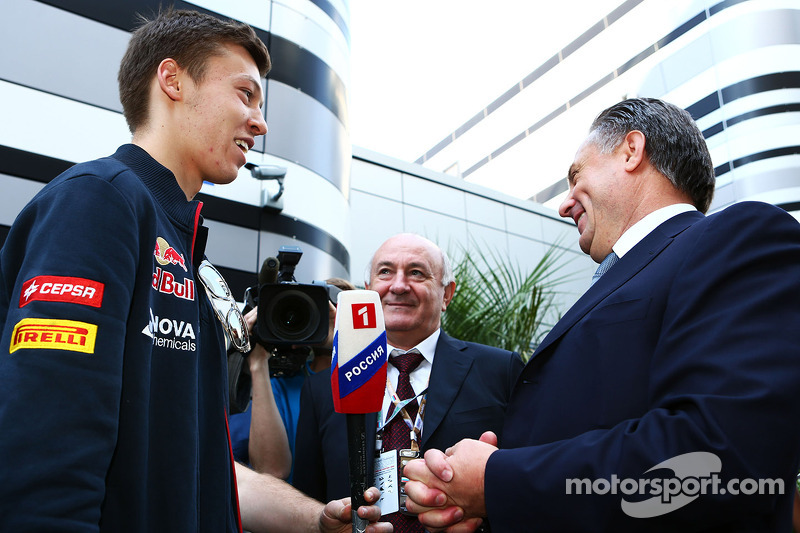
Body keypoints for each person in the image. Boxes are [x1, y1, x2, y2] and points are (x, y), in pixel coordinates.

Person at [0, 9, 388, 533]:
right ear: (173, 80)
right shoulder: (100, 201)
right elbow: (47, 446)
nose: (261, 122)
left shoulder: (189, 259)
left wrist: (316, 521)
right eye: (245, 94)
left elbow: (203, 469)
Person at [403, 97, 800, 532]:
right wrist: (488, 505)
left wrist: (499, 480)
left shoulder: (740, 237)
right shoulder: (620, 279)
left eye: (576, 177)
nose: (564, 204)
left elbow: (719, 462)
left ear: (632, 151)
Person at [293, 233, 524, 531]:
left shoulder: (499, 370)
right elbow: (308, 495)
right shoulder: (323, 386)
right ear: (368, 290)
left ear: (447, 294)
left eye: (416, 273)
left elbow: (525, 481)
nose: (398, 286)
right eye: (385, 272)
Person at [230, 277, 356, 479]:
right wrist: (256, 361)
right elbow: (271, 471)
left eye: (334, 313)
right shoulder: (279, 386)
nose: (328, 320)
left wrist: (345, 340)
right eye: (318, 312)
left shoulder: (368, 380)